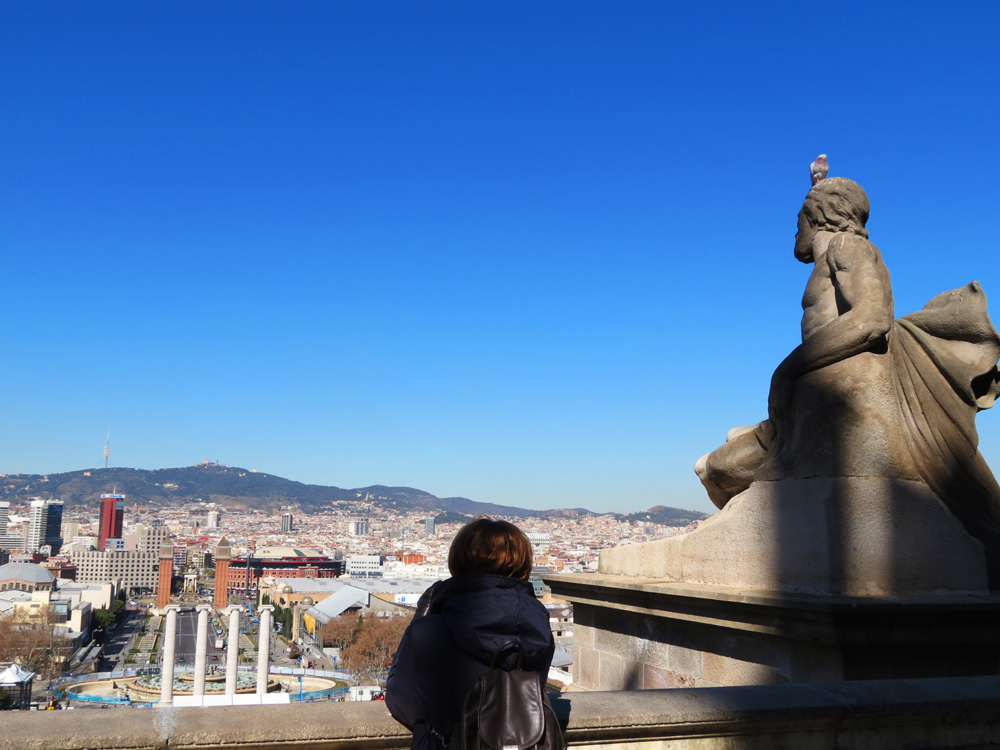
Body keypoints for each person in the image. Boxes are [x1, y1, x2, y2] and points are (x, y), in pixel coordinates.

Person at [386, 518, 555, 750]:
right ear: (523, 565)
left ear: (457, 561)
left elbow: (400, 703)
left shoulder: (430, 630)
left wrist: (420, 621)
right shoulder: (539, 627)